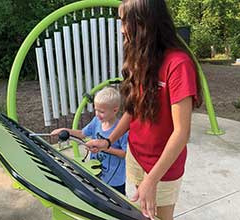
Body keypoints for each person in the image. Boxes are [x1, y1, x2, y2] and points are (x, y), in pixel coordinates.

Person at [85, 0, 202, 220]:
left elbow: (181, 133)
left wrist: (151, 180)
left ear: (143, 23)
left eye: (124, 21)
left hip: (163, 168)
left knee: (160, 218)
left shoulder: (178, 64)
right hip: (136, 155)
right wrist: (109, 140)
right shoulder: (140, 59)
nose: (121, 29)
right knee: (144, 216)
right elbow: (132, 110)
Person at [51, 87, 128, 195]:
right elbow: (82, 133)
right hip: (96, 171)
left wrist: (105, 148)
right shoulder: (96, 121)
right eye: (96, 109)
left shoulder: (121, 130)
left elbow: (125, 154)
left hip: (115, 179)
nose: (97, 114)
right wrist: (65, 130)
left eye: (101, 111)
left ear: (115, 110)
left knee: (115, 203)